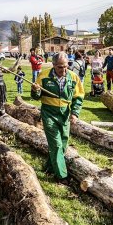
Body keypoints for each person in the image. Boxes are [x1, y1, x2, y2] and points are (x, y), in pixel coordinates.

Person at [31, 52, 84, 183]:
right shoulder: (43, 76)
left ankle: (49, 167)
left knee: (63, 144)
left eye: (66, 66)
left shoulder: (73, 77)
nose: (63, 69)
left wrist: (75, 113)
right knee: (56, 144)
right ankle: (62, 176)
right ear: (53, 65)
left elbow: (78, 97)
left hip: (65, 114)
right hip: (49, 113)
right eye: (60, 67)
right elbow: (36, 97)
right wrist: (35, 90)